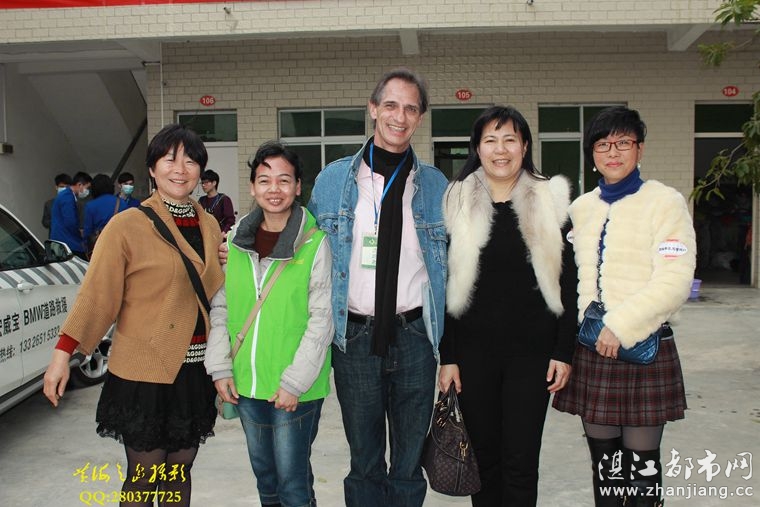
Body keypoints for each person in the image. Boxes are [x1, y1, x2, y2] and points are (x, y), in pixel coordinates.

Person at [43, 124, 224, 507]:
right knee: (144, 476)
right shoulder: (127, 225)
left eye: (191, 161)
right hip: (145, 371)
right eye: (169, 159)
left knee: (178, 473)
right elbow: (97, 294)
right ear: (152, 169)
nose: (181, 169)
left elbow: (211, 292)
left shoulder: (209, 225)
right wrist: (63, 354)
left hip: (194, 371)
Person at [307, 68, 448, 507]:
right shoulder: (333, 181)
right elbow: (302, 246)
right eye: (390, 105)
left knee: (408, 464)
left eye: (410, 108)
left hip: (415, 337)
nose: (399, 117)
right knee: (364, 462)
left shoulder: (436, 186)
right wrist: (243, 244)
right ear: (373, 109)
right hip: (355, 338)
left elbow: (457, 266)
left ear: (420, 117)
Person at [552, 106, 696, 507]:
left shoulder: (664, 202)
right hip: (592, 349)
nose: (612, 152)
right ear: (591, 154)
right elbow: (569, 279)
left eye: (623, 143)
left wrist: (621, 325)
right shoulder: (581, 208)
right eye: (602, 144)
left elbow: (675, 279)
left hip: (643, 347)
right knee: (606, 468)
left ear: (640, 149)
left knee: (642, 470)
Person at [437, 105, 577, 506]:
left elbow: (569, 282)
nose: (501, 149)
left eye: (510, 139)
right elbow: (444, 284)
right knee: (483, 458)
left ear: (525, 146)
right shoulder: (456, 201)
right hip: (473, 353)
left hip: (532, 354)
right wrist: (449, 356)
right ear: (477, 148)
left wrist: (563, 351)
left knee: (521, 459)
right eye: (491, 140)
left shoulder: (550, 200)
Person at [206, 141, 333, 507]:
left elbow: (322, 319)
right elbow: (222, 308)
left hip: (295, 388)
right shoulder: (235, 242)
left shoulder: (314, 244)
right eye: (264, 180)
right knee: (266, 479)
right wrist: (219, 367)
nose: (274, 189)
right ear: (252, 187)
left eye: (283, 180)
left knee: (293, 485)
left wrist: (295, 382)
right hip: (247, 383)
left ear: (298, 186)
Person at [50, 171, 92, 259]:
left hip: (62, 241)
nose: (87, 191)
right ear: (80, 185)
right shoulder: (67, 197)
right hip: (67, 243)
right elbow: (70, 222)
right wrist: (80, 233)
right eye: (87, 188)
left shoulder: (66, 195)